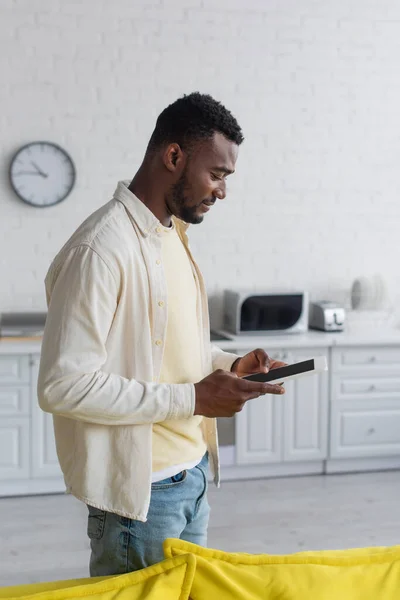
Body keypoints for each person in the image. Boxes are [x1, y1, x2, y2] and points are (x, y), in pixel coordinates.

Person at [37, 92, 286, 577]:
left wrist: (229, 368)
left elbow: (166, 352)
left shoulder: (171, 236)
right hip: (142, 499)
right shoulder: (100, 249)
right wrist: (193, 398)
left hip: (191, 475)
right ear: (173, 157)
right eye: (216, 175)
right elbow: (62, 384)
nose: (222, 192)